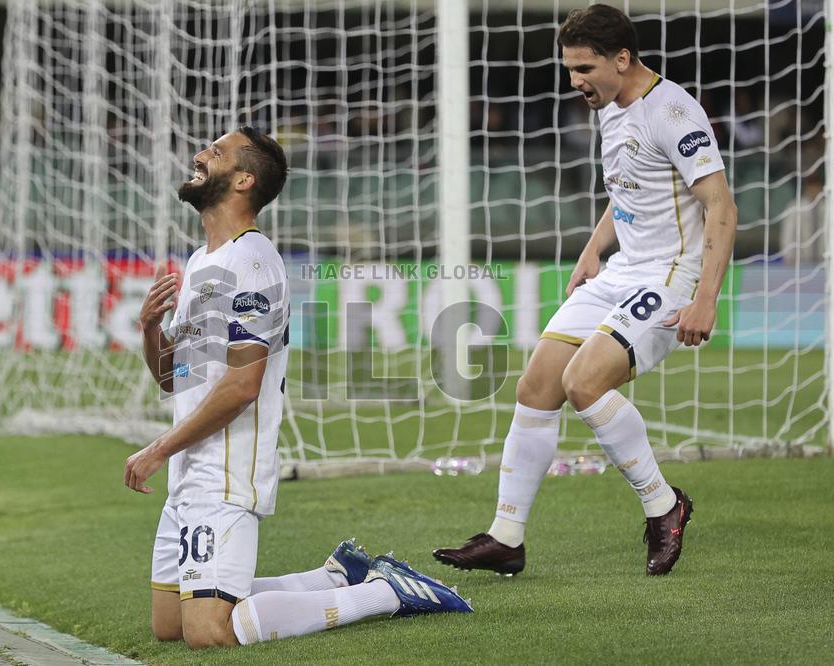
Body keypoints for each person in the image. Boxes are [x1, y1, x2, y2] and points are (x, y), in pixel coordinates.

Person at [124, 126, 472, 650]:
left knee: (209, 633)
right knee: (170, 624)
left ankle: (387, 593)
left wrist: (158, 448)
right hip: (190, 472)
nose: (199, 155)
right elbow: (175, 378)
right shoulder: (200, 262)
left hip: (226, 472)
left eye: (216, 152)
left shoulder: (253, 261)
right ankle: (332, 578)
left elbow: (243, 385)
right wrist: (150, 329)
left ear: (243, 180)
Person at [433, 4, 737, 577]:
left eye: (583, 69)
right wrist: (594, 248)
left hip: (670, 276)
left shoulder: (673, 112)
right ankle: (506, 537)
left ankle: (664, 506)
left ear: (622, 59)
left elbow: (721, 205)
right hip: (622, 270)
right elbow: (626, 191)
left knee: (584, 382)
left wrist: (706, 297)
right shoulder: (610, 105)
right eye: (569, 69)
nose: (575, 81)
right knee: (536, 386)